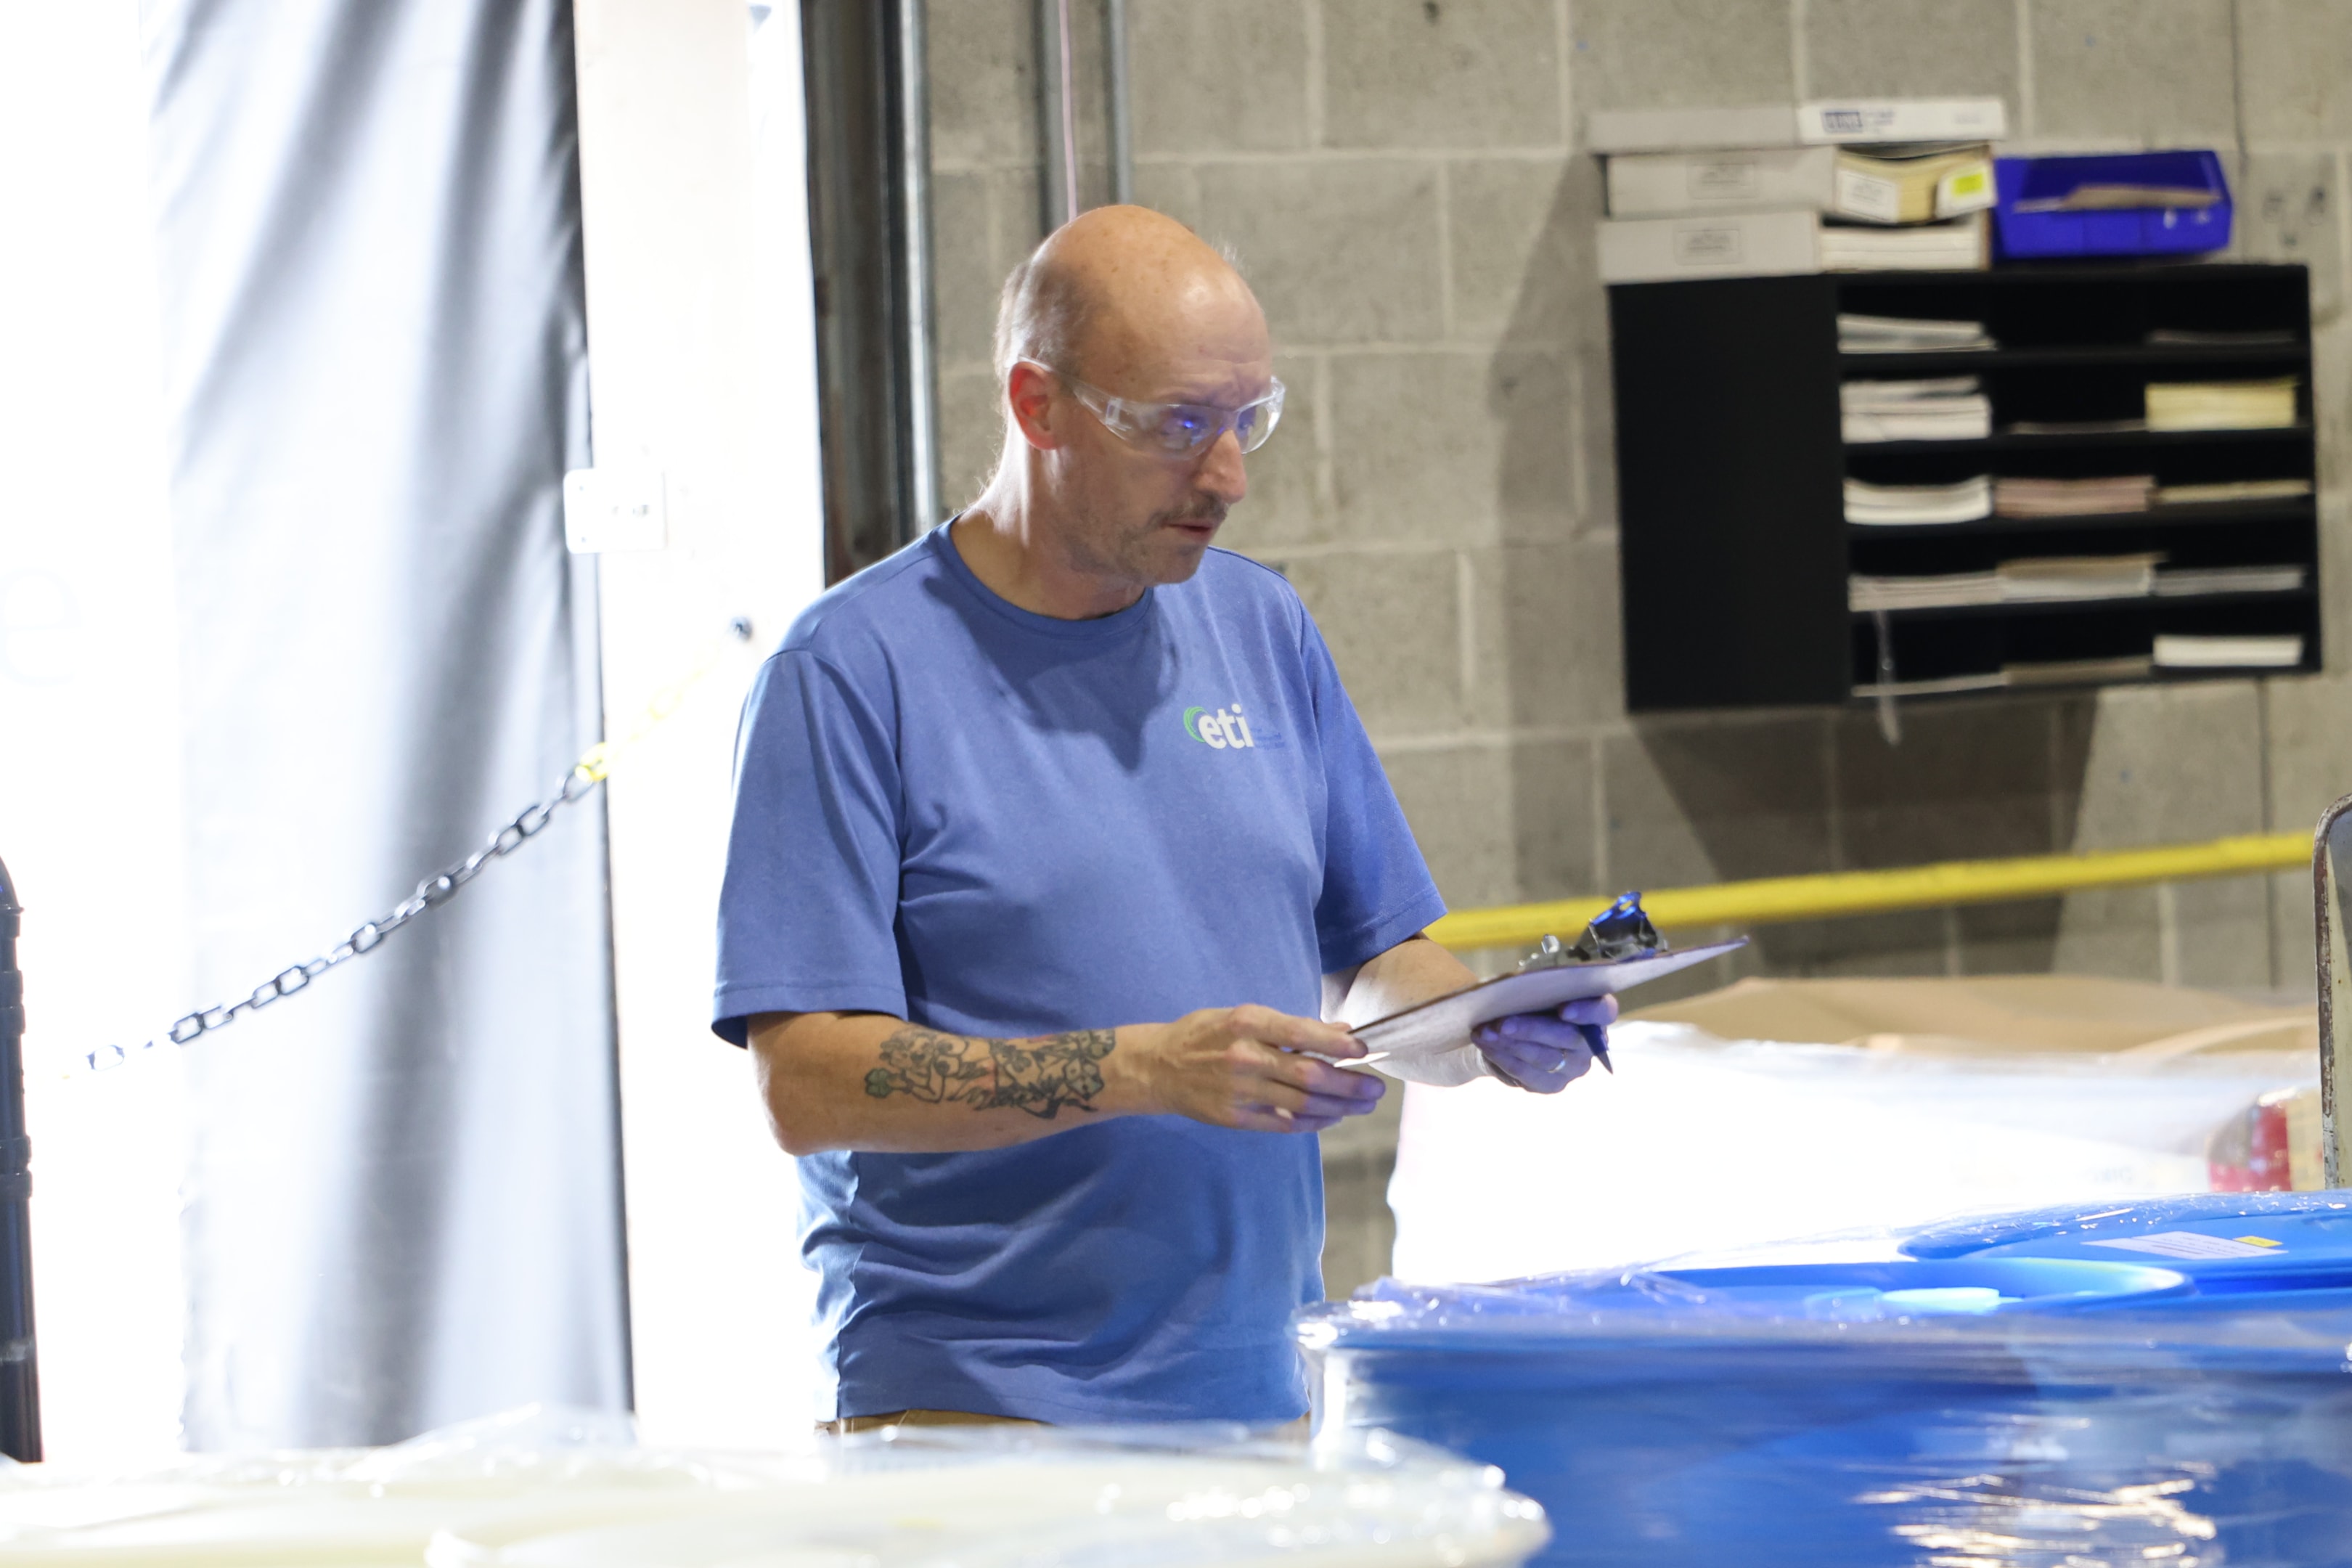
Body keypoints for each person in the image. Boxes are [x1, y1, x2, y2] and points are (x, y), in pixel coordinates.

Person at [713, 205, 1614, 1432]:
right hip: (973, 1419)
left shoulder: (1260, 627)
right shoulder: (849, 672)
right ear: (1038, 408)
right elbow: (807, 1083)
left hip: (1258, 1395)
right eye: (1178, 426)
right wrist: (1144, 1070)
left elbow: (1380, 956)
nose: (1228, 475)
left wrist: (1483, 1029)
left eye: (1249, 421)